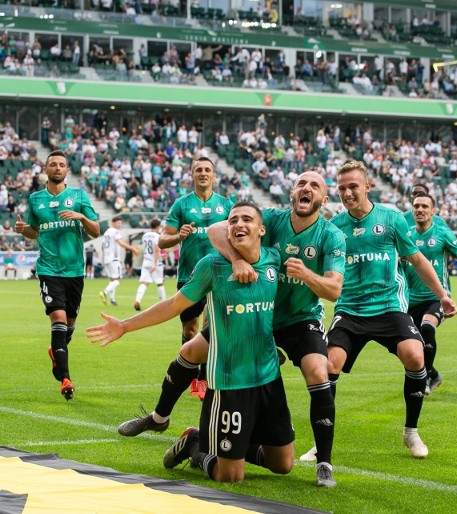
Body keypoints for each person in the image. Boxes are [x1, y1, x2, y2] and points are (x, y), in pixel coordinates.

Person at [87, 202, 295, 483]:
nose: (239, 225)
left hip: (269, 379)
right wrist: (125, 325)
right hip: (230, 382)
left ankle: (207, 441)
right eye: (233, 220)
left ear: (262, 230)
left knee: (282, 464)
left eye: (247, 219)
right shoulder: (212, 266)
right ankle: (194, 445)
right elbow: (174, 305)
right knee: (230, 476)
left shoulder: (273, 259)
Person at [302, 161, 457, 461]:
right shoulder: (335, 228)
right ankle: (321, 443)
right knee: (328, 365)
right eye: (342, 188)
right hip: (350, 309)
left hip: (388, 307)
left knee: (416, 355)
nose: (347, 193)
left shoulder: (391, 218)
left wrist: (443, 295)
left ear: (367, 187)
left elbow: (418, 259)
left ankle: (411, 431)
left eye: (353, 187)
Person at [209, 171, 345, 487]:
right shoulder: (272, 219)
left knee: (318, 371)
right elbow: (216, 229)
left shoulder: (332, 235)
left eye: (315, 185)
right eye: (301, 183)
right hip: (261, 316)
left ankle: (324, 463)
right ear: (292, 193)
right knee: (195, 350)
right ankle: (163, 418)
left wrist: (306, 276)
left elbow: (333, 291)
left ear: (324, 200)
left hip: (302, 320)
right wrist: (236, 261)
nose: (306, 188)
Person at [15, 150, 100, 400]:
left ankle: (56, 351)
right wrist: (24, 231)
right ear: (45, 169)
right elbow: (34, 232)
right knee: (59, 319)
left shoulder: (78, 196)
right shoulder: (35, 199)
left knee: (69, 323)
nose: (58, 168)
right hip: (48, 269)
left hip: (74, 270)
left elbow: (95, 231)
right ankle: (65, 378)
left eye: (62, 165)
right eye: (53, 164)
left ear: (67, 170)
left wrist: (81, 216)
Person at [159, 157, 234, 393]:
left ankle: (203, 379)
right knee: (190, 330)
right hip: (189, 276)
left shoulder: (227, 205)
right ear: (192, 175)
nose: (203, 173)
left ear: (214, 176)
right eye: (198, 170)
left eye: (207, 170)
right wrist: (178, 236)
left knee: (212, 328)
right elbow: (163, 239)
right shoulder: (181, 204)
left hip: (220, 275)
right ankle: (190, 371)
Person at [404, 193, 457, 395]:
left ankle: (426, 376)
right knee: (411, 344)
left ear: (433, 211)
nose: (419, 210)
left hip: (437, 297)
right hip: (410, 300)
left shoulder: (442, 234)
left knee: (427, 328)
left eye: (424, 206)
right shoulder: (407, 235)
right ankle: (433, 374)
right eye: (416, 206)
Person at [99, 216, 139, 306]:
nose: (119, 224)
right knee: (119, 279)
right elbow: (120, 242)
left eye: (120, 223)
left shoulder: (106, 232)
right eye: (118, 223)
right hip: (114, 259)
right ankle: (104, 292)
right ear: (113, 223)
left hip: (107, 259)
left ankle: (112, 300)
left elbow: (102, 246)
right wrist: (132, 248)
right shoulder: (115, 231)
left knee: (112, 280)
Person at [134, 219, 166, 311]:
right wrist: (155, 263)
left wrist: (160, 255)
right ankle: (163, 304)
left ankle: (137, 301)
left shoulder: (145, 235)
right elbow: (156, 250)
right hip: (155, 263)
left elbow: (148, 249)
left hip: (146, 261)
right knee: (160, 283)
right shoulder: (157, 236)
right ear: (158, 227)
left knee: (144, 282)